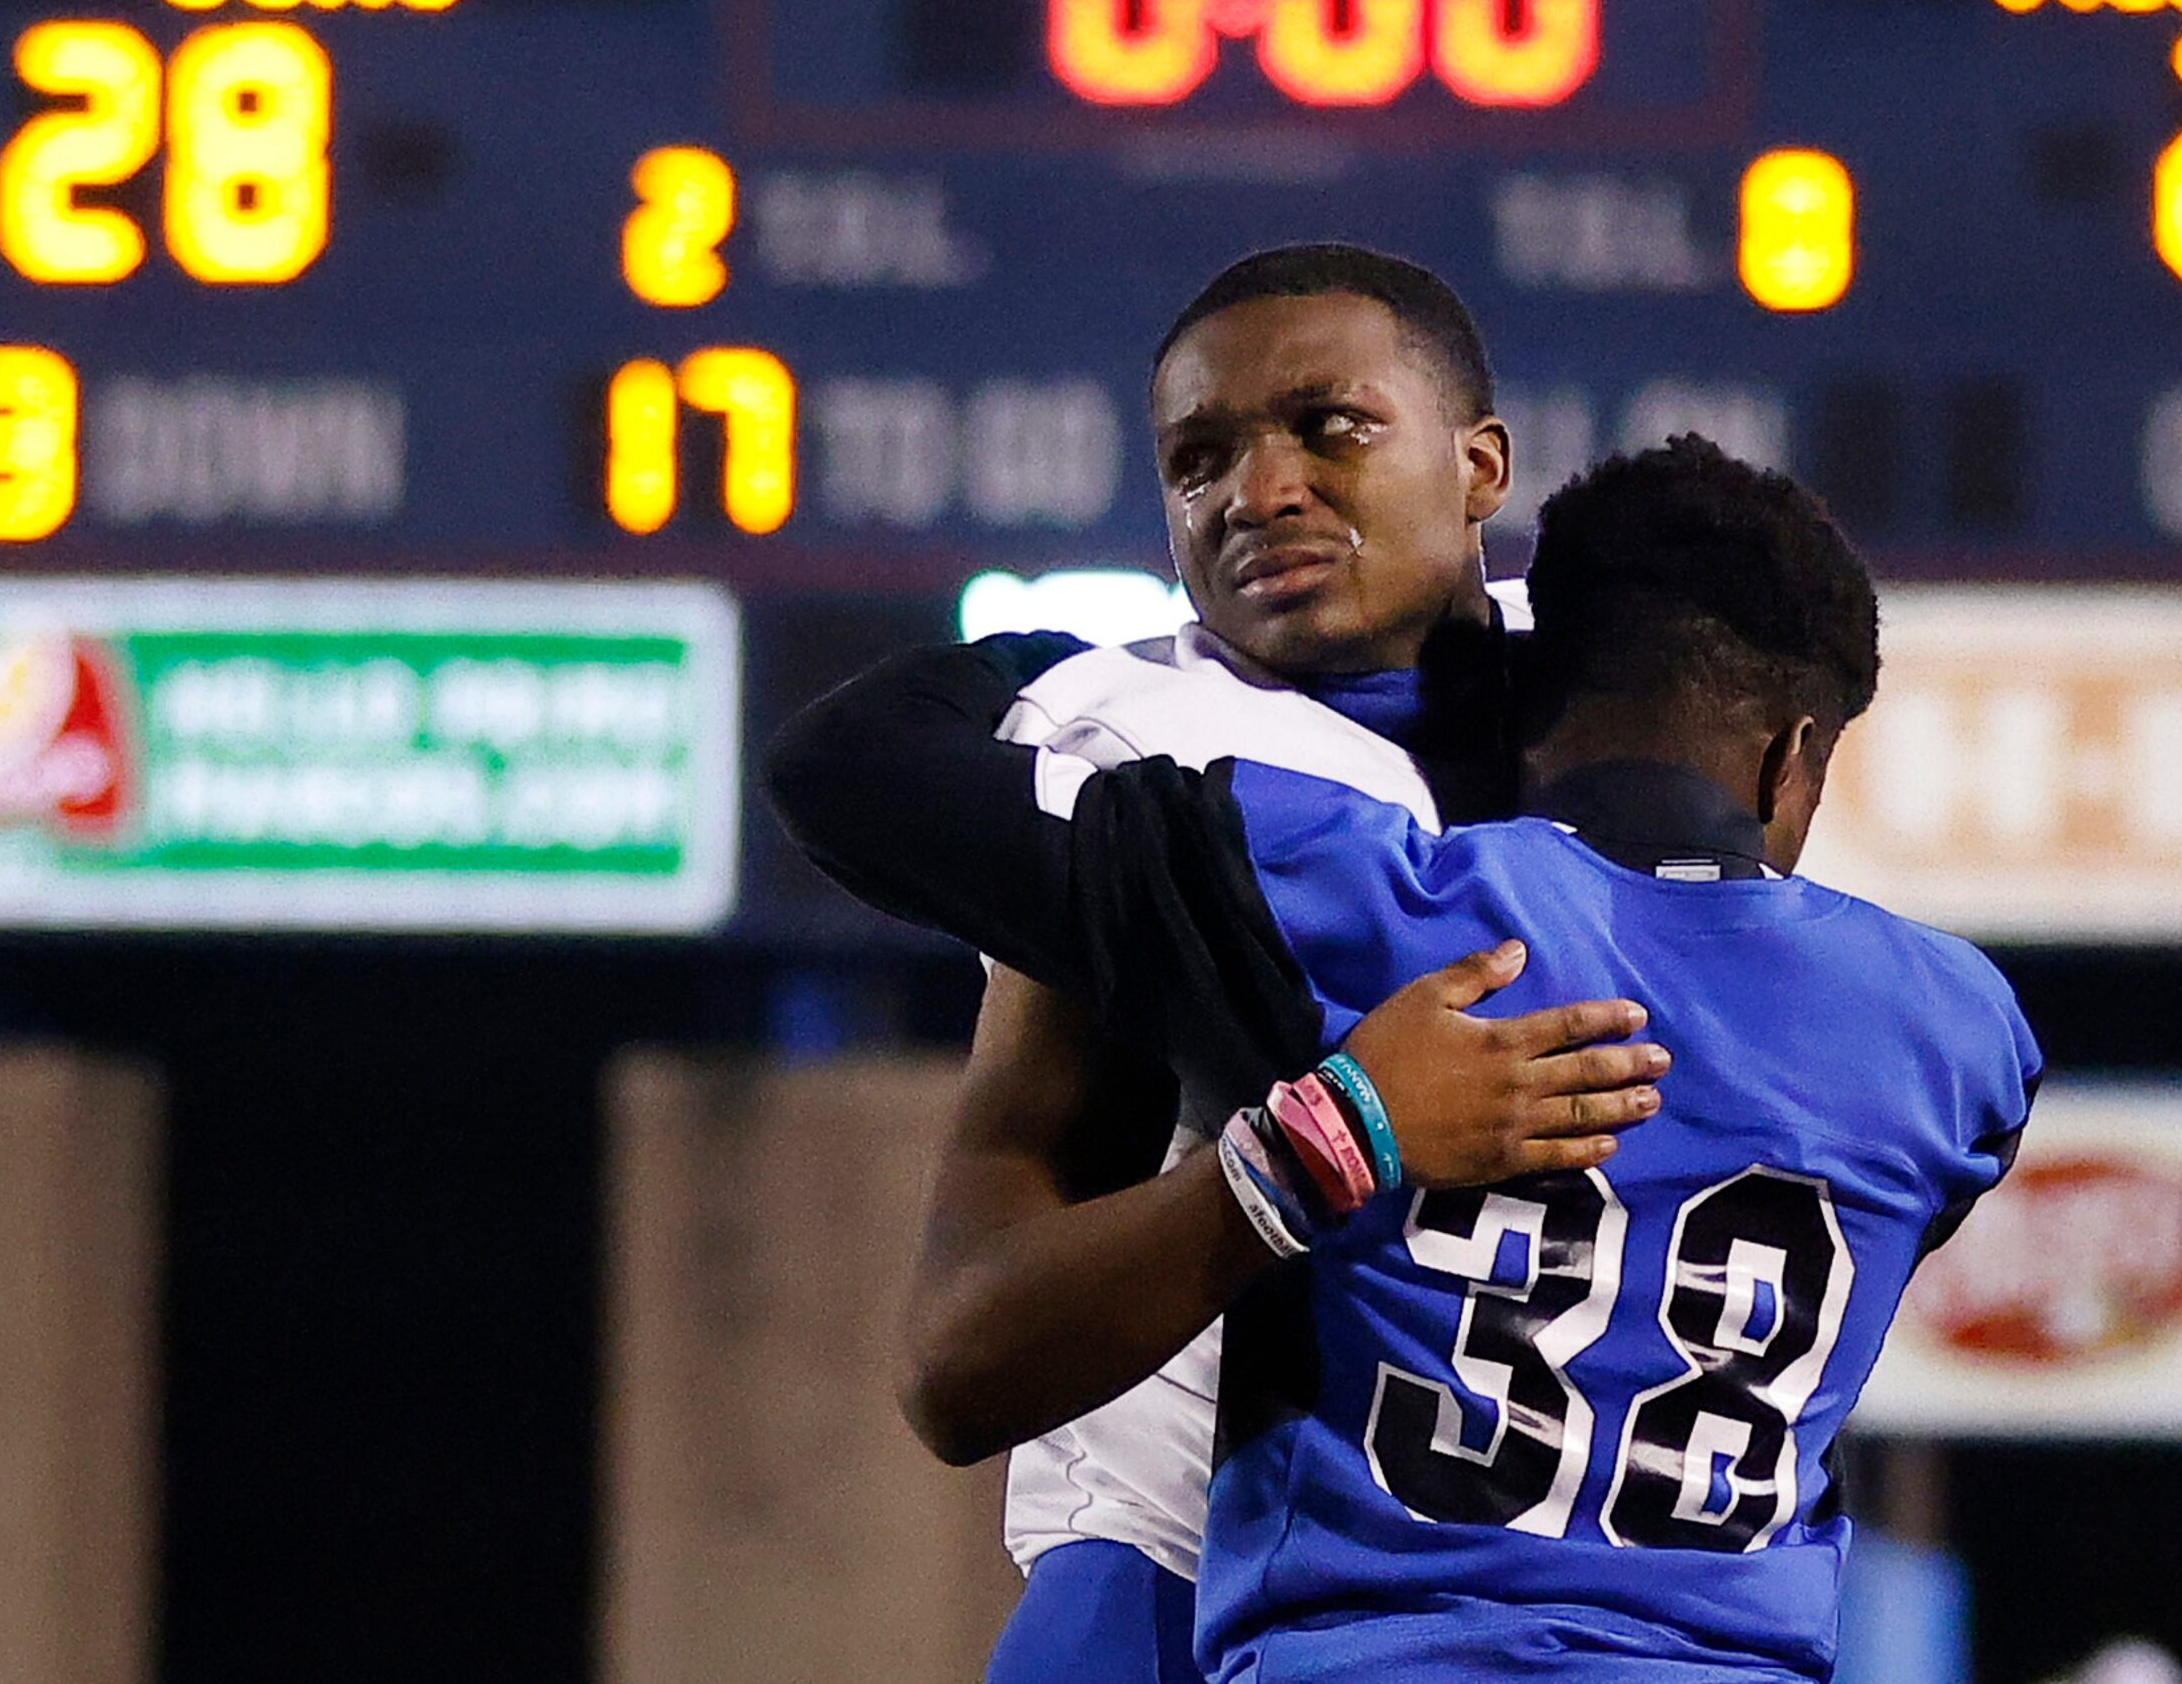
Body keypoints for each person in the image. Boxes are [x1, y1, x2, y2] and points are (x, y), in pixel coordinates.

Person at [773, 433, 2044, 1682]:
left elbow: (846, 765)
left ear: (1529, 696)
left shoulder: (1366, 903)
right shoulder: (1957, 1031)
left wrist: (1122, 681)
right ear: (1790, 758)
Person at [888, 245, 1667, 1683]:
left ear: (1479, 462)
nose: (1256, 490)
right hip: (1187, 1592)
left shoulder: (1627, 738)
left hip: (1568, 1612)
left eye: (1330, 427)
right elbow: (958, 1357)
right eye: (1197, 459)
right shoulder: (1151, 763)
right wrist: (1328, 1143)